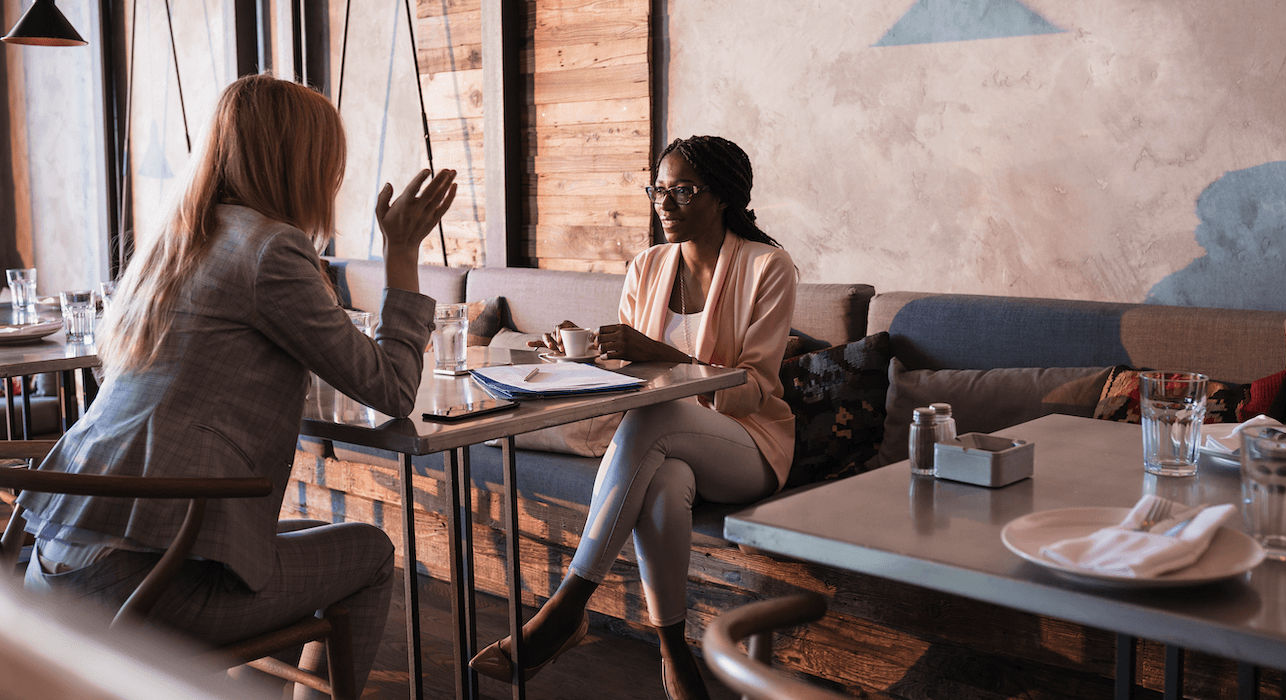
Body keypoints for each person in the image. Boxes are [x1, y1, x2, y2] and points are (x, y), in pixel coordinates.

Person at [16, 74, 457, 697]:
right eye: (329, 162)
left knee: (304, 538)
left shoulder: (177, 241)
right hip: (136, 588)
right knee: (371, 554)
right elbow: (389, 388)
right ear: (295, 163)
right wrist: (402, 253)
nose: (334, 179)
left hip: (58, 562)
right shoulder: (271, 249)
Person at [469, 135, 797, 699]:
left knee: (655, 418)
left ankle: (566, 607)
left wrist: (664, 354)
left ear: (723, 197)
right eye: (658, 190)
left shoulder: (768, 266)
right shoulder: (647, 267)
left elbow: (755, 387)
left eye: (683, 191)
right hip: (666, 448)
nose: (664, 205)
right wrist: (581, 351)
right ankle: (675, 656)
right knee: (667, 481)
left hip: (750, 443)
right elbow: (629, 376)